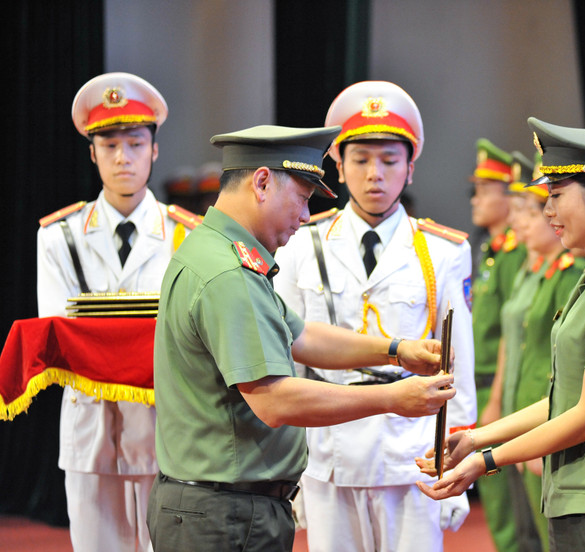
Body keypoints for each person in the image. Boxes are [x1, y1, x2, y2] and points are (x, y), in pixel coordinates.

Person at [149, 124, 456, 552]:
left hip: (220, 506)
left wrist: (396, 351)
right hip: (224, 514)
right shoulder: (228, 273)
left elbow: (302, 335)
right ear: (261, 182)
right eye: (302, 196)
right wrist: (391, 399)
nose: (305, 214)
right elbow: (275, 401)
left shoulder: (221, 252)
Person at [418, 118, 585, 551]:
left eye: (555, 197)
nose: (548, 212)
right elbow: (567, 398)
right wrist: (477, 438)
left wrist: (488, 460)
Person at [273, 81, 476, 552]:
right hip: (329, 452)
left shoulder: (443, 250)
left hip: (413, 453)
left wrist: (457, 464)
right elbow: (287, 359)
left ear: (410, 168)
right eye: (361, 160)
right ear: (338, 167)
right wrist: (290, 469)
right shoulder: (302, 244)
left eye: (389, 160)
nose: (375, 174)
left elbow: (458, 366)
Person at [36, 72, 200, 552]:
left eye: (134, 143)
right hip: (91, 425)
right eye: (109, 146)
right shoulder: (59, 238)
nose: (122, 157)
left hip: (165, 430)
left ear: (154, 150)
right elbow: (58, 335)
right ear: (92, 153)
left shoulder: (187, 236)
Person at [484, 152, 585, 552]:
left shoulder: (567, 274)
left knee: (544, 534)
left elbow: (564, 359)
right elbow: (515, 344)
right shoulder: (533, 270)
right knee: (520, 527)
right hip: (519, 407)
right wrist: (496, 403)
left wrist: (542, 435)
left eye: (536, 210)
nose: (523, 222)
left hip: (543, 412)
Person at [469, 138, 528, 552]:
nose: (475, 200)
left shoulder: (513, 254)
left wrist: (495, 400)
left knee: (510, 505)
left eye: (485, 191)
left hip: (498, 383)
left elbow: (512, 332)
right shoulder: (492, 250)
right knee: (497, 500)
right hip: (482, 382)